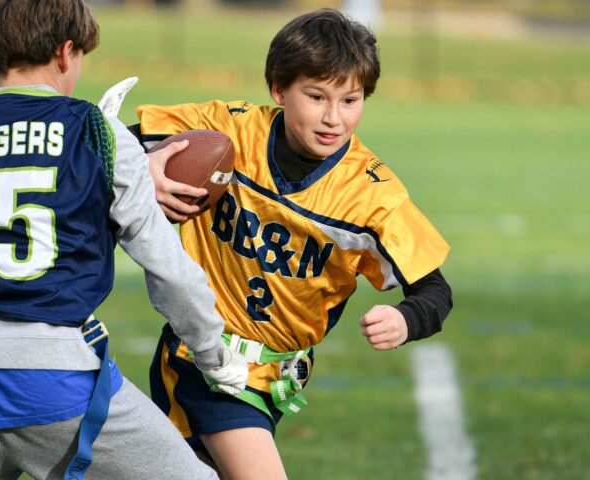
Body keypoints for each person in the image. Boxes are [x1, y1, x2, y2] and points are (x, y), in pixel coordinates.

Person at [0, 1, 247, 479]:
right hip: (53, 379)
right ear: (67, 51)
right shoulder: (95, 130)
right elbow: (168, 269)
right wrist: (213, 355)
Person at [125, 8, 453, 479]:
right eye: (316, 96)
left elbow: (436, 292)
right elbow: (113, 144)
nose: (333, 118)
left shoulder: (371, 195)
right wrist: (146, 165)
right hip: (207, 358)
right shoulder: (227, 132)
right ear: (279, 89)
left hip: (276, 378)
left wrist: (406, 318)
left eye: (350, 100)